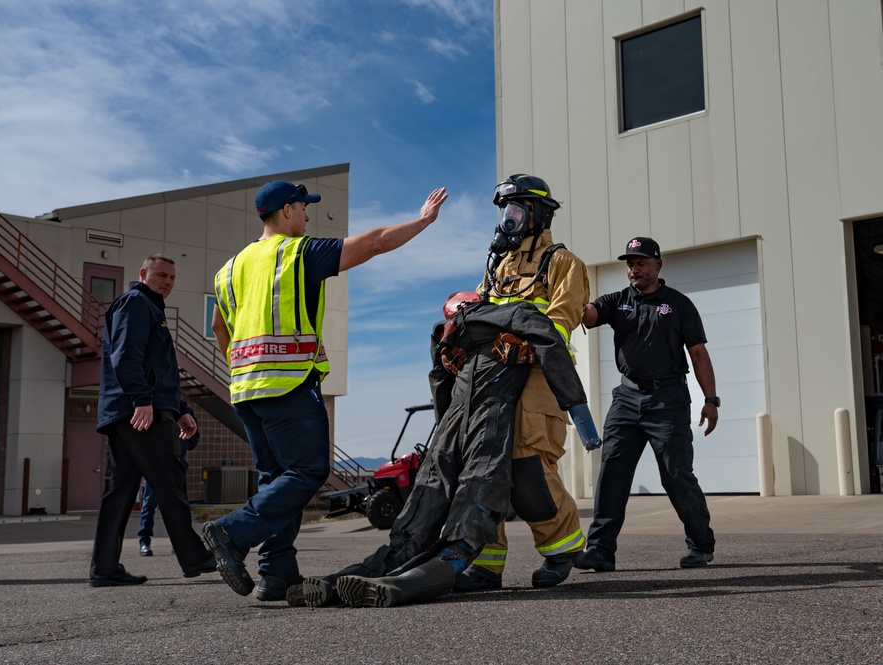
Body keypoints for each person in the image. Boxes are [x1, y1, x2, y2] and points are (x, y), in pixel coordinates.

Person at [204, 180, 448, 602]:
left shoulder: (229, 269)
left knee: (276, 482)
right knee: (308, 472)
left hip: (245, 389)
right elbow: (371, 244)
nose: (307, 214)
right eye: (302, 207)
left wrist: (247, 363)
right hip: (289, 383)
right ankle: (232, 532)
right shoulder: (296, 252)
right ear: (285, 211)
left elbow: (218, 328)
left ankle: (276, 574)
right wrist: (423, 221)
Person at [290, 293, 600, 608]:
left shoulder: (446, 332)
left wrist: (443, 429)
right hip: (486, 419)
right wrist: (579, 411)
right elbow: (550, 343)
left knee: (425, 504)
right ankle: (406, 578)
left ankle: (360, 578)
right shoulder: (511, 316)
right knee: (472, 495)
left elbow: (440, 381)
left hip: (453, 425)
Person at [454, 174, 592, 593]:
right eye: (504, 211)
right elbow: (479, 312)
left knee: (527, 463)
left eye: (515, 209)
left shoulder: (563, 262)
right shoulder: (498, 264)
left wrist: (526, 341)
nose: (508, 219)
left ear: (535, 213)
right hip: (492, 373)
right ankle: (486, 563)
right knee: (481, 464)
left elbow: (563, 320)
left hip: (537, 376)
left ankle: (561, 548)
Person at [575, 236, 719, 571]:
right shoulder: (618, 301)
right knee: (612, 472)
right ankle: (600, 550)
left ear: (658, 265)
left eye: (641, 262)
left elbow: (698, 353)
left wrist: (710, 399)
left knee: (676, 474)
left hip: (667, 398)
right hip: (626, 398)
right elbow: (589, 315)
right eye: (630, 263)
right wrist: (572, 295)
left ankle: (700, 544)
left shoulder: (679, 304)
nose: (634, 269)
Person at [90, 255, 217, 587]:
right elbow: (126, 354)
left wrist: (181, 408)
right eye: (161, 275)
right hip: (139, 411)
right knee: (169, 480)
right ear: (143, 272)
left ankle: (104, 568)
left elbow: (157, 368)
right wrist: (142, 399)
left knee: (118, 493)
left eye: (172, 278)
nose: (167, 282)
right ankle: (195, 557)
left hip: (130, 410)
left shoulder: (150, 309)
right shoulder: (136, 303)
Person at [138, 401, 199, 557]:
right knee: (149, 503)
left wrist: (184, 445)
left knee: (179, 504)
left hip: (178, 461)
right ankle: (144, 541)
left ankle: (179, 543)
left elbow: (194, 435)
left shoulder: (184, 410)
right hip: (155, 461)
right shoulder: (156, 407)